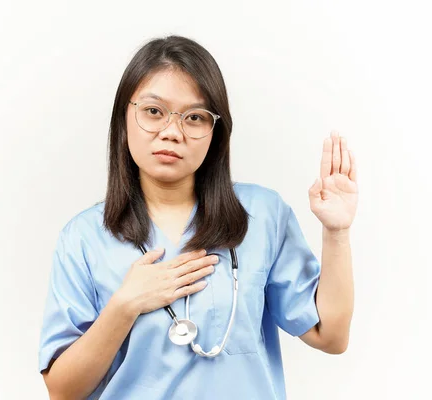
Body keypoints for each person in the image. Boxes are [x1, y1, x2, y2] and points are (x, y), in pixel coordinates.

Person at [38, 35, 358, 400]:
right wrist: (126, 304)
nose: (172, 132)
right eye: (153, 111)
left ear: (215, 131)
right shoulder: (83, 238)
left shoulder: (263, 215)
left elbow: (331, 336)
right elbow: (63, 390)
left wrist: (337, 233)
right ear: (124, 118)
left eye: (194, 117)